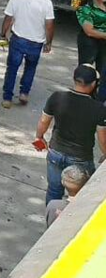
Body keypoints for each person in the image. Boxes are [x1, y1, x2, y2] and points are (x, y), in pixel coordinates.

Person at [35, 64, 106, 204]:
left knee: (54, 190)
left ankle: (53, 219)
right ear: (93, 84)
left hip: (56, 152)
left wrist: (39, 137)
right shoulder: (98, 109)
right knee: (81, 196)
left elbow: (44, 121)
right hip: (80, 158)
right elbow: (102, 138)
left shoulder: (57, 97)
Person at [1, 0, 55, 107]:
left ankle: (7, 98)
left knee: (12, 68)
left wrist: (3, 34)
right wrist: (48, 42)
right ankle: (24, 93)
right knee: (30, 68)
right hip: (36, 43)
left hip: (18, 39)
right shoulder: (46, 3)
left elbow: (8, 18)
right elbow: (49, 25)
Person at [76, 0, 106, 90]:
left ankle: (97, 94)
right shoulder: (85, 9)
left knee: (103, 70)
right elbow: (89, 31)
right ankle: (81, 92)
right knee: (85, 69)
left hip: (103, 43)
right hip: (89, 42)